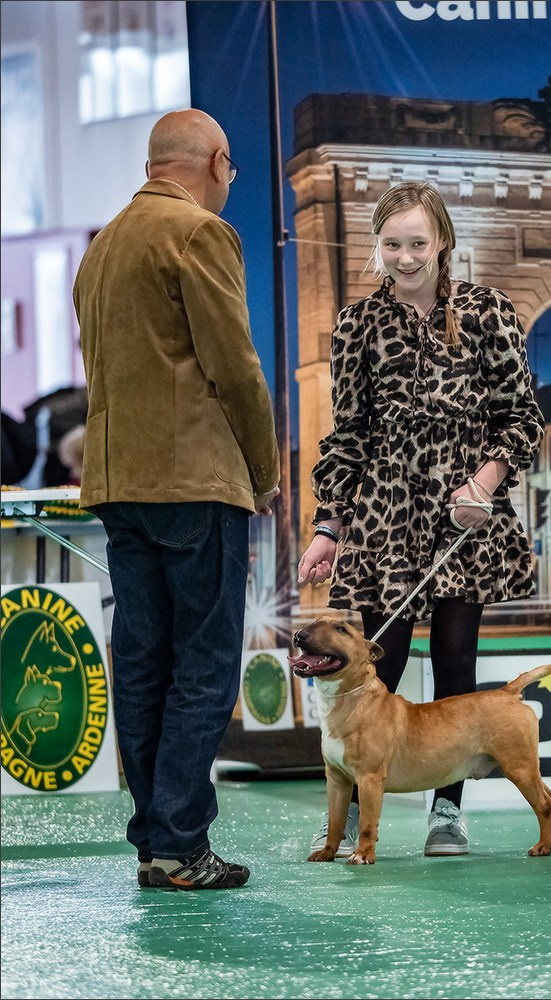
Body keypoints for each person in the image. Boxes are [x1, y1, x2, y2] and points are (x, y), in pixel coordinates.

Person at [297, 181, 544, 857]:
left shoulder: (490, 311)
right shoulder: (357, 325)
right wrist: (328, 527)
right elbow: (346, 436)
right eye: (392, 245)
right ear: (377, 249)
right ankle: (348, 806)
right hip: (384, 520)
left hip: (462, 516)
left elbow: (521, 419)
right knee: (378, 659)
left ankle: (448, 810)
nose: (406, 257)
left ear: (442, 243)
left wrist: (484, 482)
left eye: (417, 243)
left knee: (455, 661)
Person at [73, 109, 280, 890]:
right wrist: (263, 471)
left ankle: (155, 845)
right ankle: (183, 844)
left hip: (120, 486)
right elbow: (237, 369)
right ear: (219, 163)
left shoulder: (101, 249)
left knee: (142, 663)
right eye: (232, 171)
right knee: (203, 665)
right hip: (196, 485)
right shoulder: (200, 236)